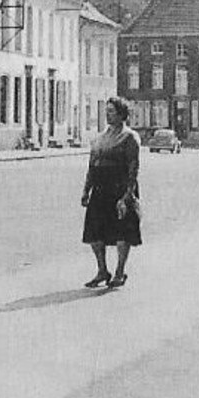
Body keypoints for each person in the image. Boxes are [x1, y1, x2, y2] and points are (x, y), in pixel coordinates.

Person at [81, 97, 142, 288]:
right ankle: (102, 271)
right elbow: (92, 165)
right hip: (100, 188)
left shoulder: (129, 137)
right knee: (94, 232)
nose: (107, 115)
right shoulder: (100, 138)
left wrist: (127, 196)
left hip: (120, 187)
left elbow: (133, 167)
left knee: (122, 232)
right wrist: (86, 190)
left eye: (111, 111)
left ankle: (120, 271)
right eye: (106, 111)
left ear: (122, 114)